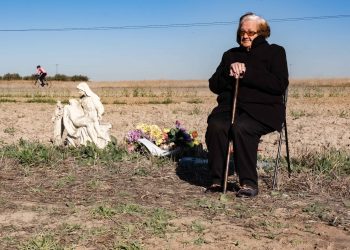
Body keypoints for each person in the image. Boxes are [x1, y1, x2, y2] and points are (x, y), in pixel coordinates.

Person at [205, 13, 289, 197]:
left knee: (242, 128)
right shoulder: (230, 55)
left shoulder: (275, 52)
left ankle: (248, 183)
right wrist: (229, 72)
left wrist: (248, 72)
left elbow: (279, 85)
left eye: (251, 32)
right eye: (242, 31)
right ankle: (218, 180)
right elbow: (214, 85)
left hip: (263, 110)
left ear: (262, 33)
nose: (245, 36)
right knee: (217, 126)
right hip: (229, 108)